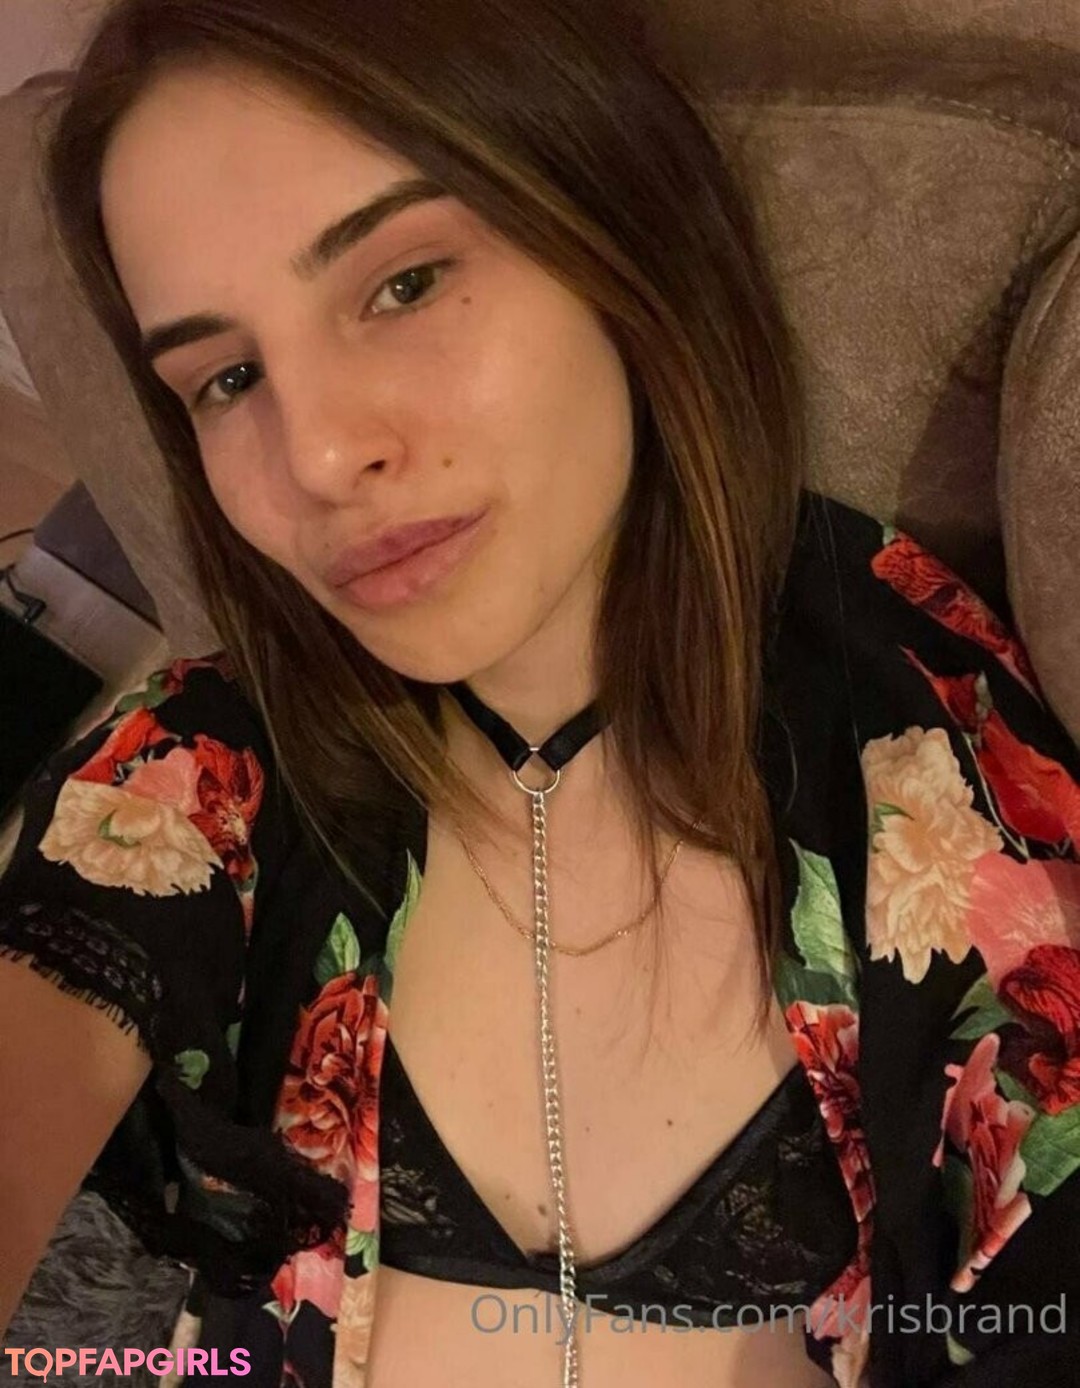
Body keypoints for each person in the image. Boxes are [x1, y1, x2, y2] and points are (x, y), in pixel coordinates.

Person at [1, 0, 1078, 1384]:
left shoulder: (922, 753)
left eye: (404, 284)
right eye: (227, 377)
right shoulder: (186, 778)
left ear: (616, 231)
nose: (316, 456)